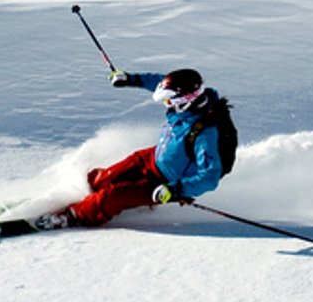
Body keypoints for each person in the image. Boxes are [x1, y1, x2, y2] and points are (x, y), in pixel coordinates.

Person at [37, 68, 229, 230]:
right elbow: (158, 82)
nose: (166, 105)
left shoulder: (205, 133)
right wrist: (130, 79)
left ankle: (72, 216)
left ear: (185, 100)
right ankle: (66, 198)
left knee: (110, 197)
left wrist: (176, 189)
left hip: (165, 182)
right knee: (102, 179)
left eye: (169, 101)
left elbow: (210, 176)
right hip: (150, 158)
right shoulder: (187, 102)